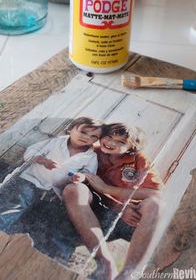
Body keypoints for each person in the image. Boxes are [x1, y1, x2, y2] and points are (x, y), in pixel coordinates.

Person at [63, 122, 163, 280]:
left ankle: (128, 273)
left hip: (132, 218)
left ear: (131, 148)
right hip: (100, 210)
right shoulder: (91, 152)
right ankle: (105, 264)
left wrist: (107, 189)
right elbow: (83, 182)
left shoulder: (138, 159)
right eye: (109, 137)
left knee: (155, 205)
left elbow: (156, 193)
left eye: (121, 142)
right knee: (73, 189)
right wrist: (118, 206)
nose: (111, 143)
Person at [0, 117, 103, 231]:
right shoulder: (56, 142)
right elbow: (32, 150)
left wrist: (81, 177)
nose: (87, 137)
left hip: (54, 192)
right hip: (31, 181)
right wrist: (43, 160)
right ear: (70, 129)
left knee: (43, 220)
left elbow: (89, 174)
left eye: (94, 136)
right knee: (16, 204)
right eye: (83, 132)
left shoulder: (90, 156)